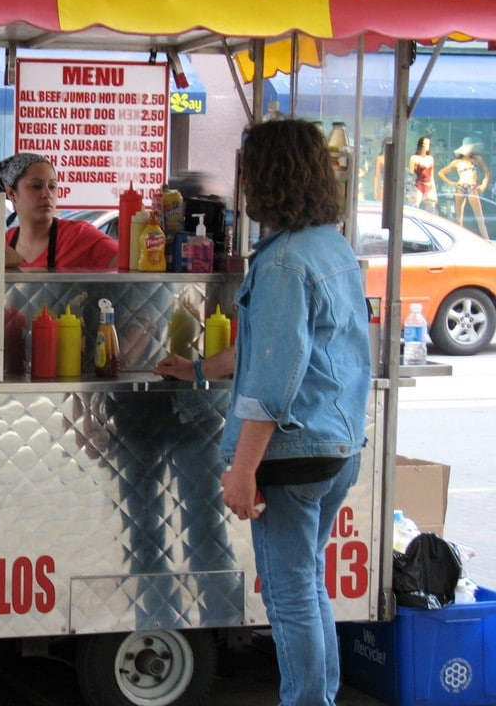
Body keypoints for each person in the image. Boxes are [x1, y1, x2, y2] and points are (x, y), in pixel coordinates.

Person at [157, 119, 371, 706]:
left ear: (267, 178)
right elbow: (270, 348)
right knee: (307, 587)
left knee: (290, 596)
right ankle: (317, 698)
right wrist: (200, 369)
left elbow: (274, 385)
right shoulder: (330, 247)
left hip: (290, 456)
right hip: (337, 448)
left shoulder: (281, 265)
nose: (242, 182)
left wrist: (243, 470)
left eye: (247, 171)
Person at [0, 153, 118, 269]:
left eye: (52, 186)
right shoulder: (3, 244)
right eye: (36, 186)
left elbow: (127, 267)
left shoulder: (80, 236)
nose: (47, 193)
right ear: (11, 194)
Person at [438, 137, 490, 239]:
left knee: (479, 217)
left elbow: (486, 171)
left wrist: (484, 184)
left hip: (472, 187)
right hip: (461, 187)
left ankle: (487, 240)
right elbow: (441, 173)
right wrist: (452, 183)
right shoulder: (457, 162)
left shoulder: (476, 159)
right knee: (459, 217)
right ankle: (458, 239)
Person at [408, 136, 438, 212]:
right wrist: (409, 190)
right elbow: (410, 175)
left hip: (429, 186)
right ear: (421, 144)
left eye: (428, 144)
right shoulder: (414, 158)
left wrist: (434, 191)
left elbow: (431, 176)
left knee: (431, 210)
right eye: (425, 143)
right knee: (414, 208)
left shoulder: (430, 158)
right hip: (419, 186)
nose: (427, 145)